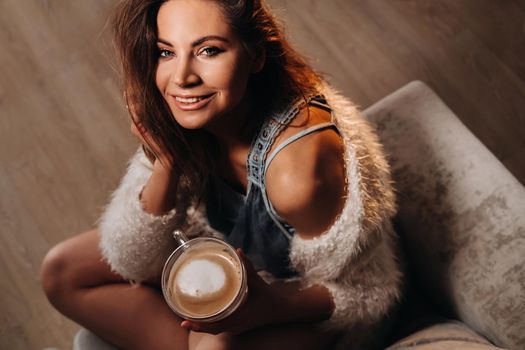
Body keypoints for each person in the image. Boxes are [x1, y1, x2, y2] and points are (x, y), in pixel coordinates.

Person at [40, 0, 403, 349]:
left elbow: (369, 292)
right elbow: (132, 260)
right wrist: (166, 160)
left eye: (208, 50)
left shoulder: (297, 175)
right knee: (62, 272)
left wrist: (269, 307)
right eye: (167, 52)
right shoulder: (189, 113)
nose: (181, 77)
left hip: (307, 302)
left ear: (257, 53)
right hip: (227, 256)